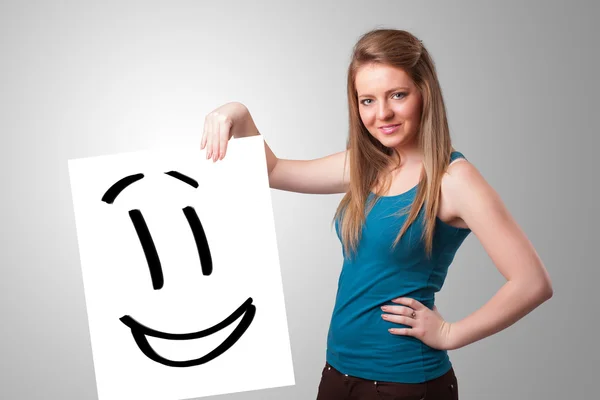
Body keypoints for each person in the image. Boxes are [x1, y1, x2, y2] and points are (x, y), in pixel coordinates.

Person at [200, 29, 553, 400]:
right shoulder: (365, 165)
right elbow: (272, 171)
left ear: (424, 93)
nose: (382, 113)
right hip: (338, 372)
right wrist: (237, 112)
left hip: (403, 384)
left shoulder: (454, 179)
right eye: (367, 100)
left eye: (397, 95)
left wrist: (450, 333)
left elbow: (532, 282)